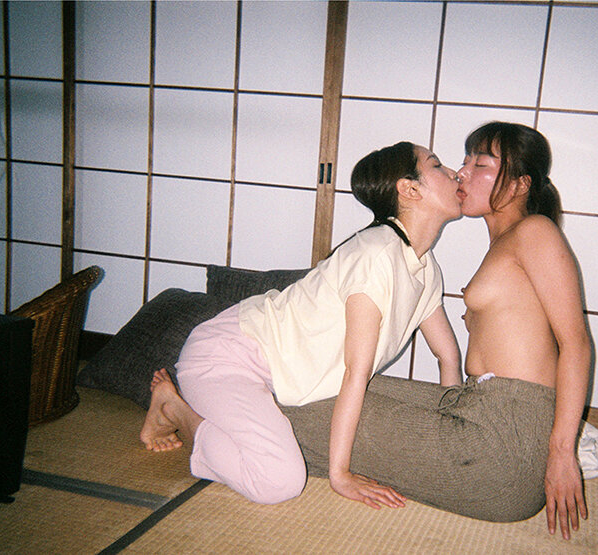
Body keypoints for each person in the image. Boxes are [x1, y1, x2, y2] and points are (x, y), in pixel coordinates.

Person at [279, 122, 591, 539]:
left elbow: (576, 344)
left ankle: (205, 420)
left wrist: (562, 454)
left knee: (299, 409)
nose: (462, 172)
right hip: (480, 409)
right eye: (464, 161)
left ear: (520, 184)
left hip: (502, 451)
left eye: (480, 164)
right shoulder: (506, 241)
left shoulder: (535, 232)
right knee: (326, 386)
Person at [140, 141, 463, 509]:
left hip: (265, 370)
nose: (454, 173)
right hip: (226, 355)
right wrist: (340, 475)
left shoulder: (424, 266)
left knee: (276, 467)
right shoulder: (376, 255)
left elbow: (448, 356)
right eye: (437, 165)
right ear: (409, 189)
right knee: (279, 481)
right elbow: (356, 372)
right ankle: (174, 410)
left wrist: (451, 438)